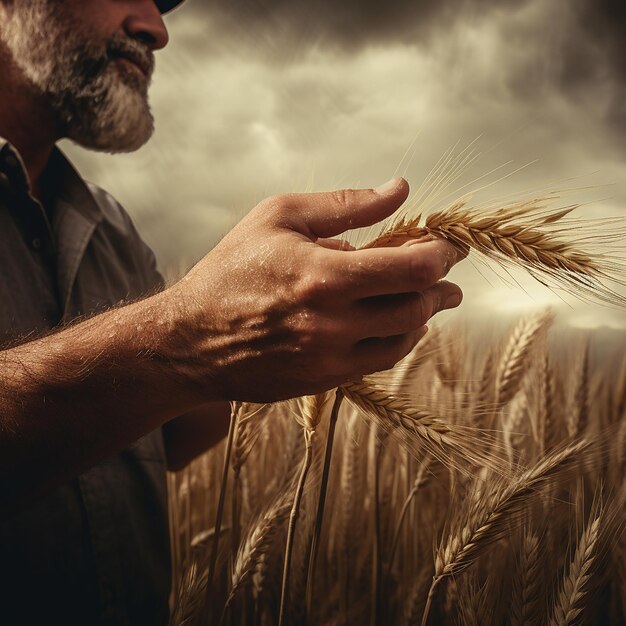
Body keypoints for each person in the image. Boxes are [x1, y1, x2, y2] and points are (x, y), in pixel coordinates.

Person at [0, 0, 465, 624]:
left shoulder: (112, 231)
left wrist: (293, 328)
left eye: (163, 6)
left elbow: (164, 432)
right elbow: (176, 357)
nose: (157, 29)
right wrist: (190, 338)